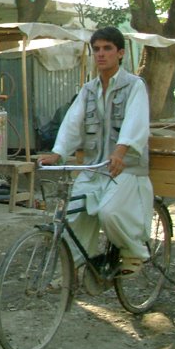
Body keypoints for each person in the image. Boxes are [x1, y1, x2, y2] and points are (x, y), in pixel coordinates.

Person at [39, 26, 153, 276]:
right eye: (97, 49)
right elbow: (72, 122)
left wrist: (121, 152)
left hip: (126, 169)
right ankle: (74, 268)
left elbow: (136, 122)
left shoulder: (134, 86)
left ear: (120, 53)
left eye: (107, 49)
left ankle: (134, 252)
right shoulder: (88, 89)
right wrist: (58, 153)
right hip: (94, 168)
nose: (101, 54)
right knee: (72, 213)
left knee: (109, 212)